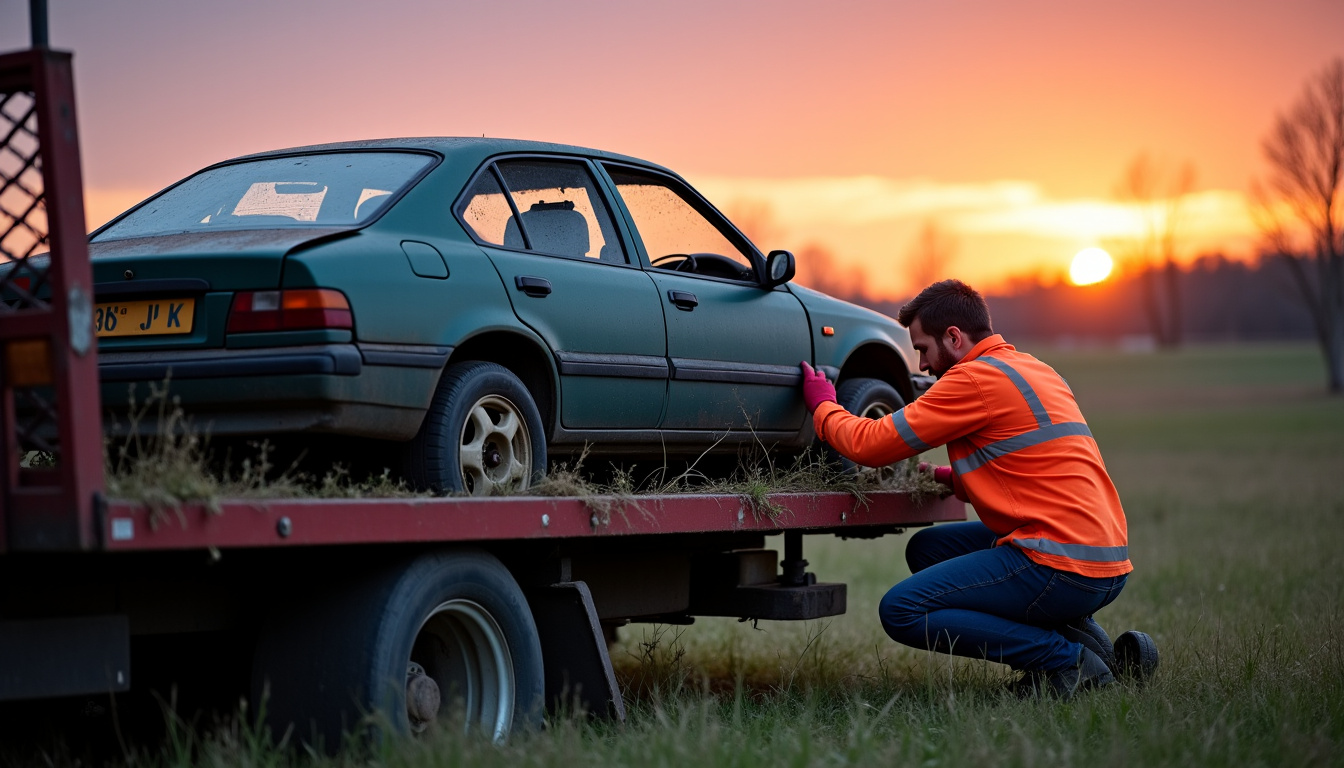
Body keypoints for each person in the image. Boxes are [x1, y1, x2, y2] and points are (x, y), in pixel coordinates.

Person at [800, 279, 1131, 697]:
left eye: (922, 349)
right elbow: (1030, 465)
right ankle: (1088, 642)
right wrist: (946, 478)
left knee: (902, 610)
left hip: (1058, 566)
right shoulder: (1034, 369)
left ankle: (1066, 662)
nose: (922, 365)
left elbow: (869, 443)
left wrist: (823, 405)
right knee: (926, 550)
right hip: (1105, 561)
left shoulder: (971, 380)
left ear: (954, 337)